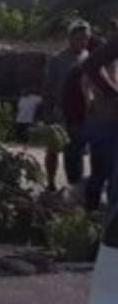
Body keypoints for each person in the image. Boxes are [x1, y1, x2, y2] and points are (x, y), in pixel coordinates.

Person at [43, 20, 91, 191]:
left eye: (85, 38)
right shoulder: (57, 59)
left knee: (76, 150)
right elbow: (48, 87)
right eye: (78, 38)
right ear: (70, 38)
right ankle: (50, 181)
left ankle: (75, 187)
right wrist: (48, 112)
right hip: (60, 111)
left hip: (80, 112)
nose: (81, 42)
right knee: (54, 148)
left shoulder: (89, 58)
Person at [83, 34, 118, 210]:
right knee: (102, 175)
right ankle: (93, 215)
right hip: (105, 122)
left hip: (105, 122)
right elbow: (87, 90)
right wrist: (113, 94)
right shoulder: (105, 65)